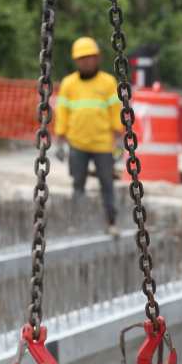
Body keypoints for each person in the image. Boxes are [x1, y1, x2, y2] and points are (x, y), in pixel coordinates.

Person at [54, 36, 124, 236]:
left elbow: (114, 112)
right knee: (78, 185)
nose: (86, 61)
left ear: (97, 58)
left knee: (107, 185)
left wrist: (119, 142)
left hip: (102, 145)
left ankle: (111, 223)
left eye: (90, 57)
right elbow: (62, 113)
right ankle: (76, 224)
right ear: (76, 61)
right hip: (77, 144)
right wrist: (59, 141)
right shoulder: (69, 84)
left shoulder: (108, 82)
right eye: (82, 58)